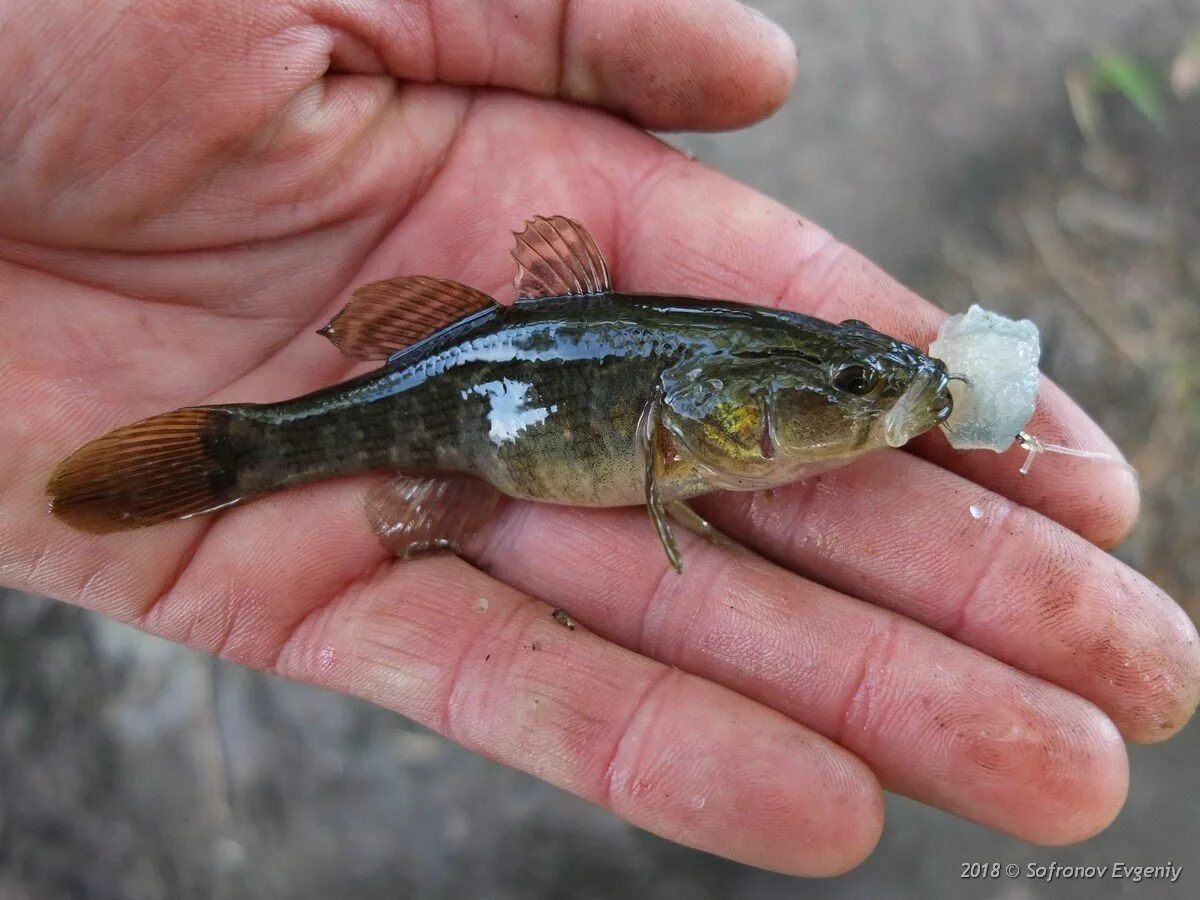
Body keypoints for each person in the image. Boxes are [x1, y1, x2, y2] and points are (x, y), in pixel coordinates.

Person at [0, 0, 1195, 878]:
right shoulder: (687, 424)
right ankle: (240, 456)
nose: (874, 393)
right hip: (445, 405)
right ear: (724, 414)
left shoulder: (713, 423)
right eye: (840, 381)